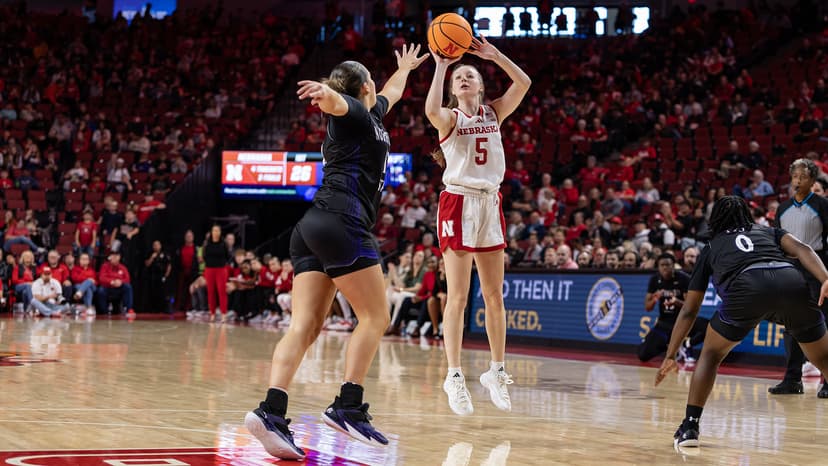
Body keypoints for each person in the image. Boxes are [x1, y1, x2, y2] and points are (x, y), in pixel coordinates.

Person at [244, 45, 428, 459]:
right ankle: (348, 404)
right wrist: (325, 93)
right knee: (376, 317)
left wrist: (403, 69)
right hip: (343, 224)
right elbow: (339, 105)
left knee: (305, 327)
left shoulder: (373, 113)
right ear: (364, 87)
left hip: (312, 228)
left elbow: (392, 93)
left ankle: (271, 410)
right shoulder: (355, 114)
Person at [655, 196, 828, 448]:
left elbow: (689, 310)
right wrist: (825, 278)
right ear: (746, 214)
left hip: (747, 288)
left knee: (710, 355)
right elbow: (804, 249)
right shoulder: (768, 231)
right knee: (824, 358)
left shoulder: (711, 246)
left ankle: (690, 426)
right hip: (790, 281)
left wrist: (671, 354)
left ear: (715, 220)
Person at [425, 35, 531, 415]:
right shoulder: (450, 118)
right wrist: (441, 67)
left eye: (470, 75)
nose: (464, 79)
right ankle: (453, 375)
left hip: (490, 202)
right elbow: (431, 109)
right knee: (457, 296)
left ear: (481, 85)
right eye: (459, 78)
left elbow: (524, 83)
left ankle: (496, 371)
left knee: (494, 296)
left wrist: (495, 55)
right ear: (453, 90)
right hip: (458, 202)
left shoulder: (493, 113)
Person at [768, 159, 828, 398]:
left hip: (817, 268)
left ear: (813, 180)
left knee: (823, 324)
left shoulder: (822, 205)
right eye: (794, 176)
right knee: (792, 326)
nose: (797, 181)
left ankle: (827, 380)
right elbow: (776, 241)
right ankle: (792, 379)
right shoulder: (782, 208)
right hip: (789, 269)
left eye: (803, 177)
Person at [638, 254, 707, 362]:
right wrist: (655, 298)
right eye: (662, 265)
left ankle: (686, 344)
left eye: (668, 265)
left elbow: (691, 306)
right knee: (642, 355)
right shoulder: (655, 280)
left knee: (708, 327)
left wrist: (677, 302)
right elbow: (648, 308)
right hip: (664, 323)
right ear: (658, 267)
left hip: (683, 321)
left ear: (673, 265)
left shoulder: (684, 279)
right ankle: (671, 346)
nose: (665, 268)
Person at [203, 225, 230, 322]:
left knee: (221, 291)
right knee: (210, 292)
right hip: (209, 269)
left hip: (221, 269)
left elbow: (227, 256)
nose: (216, 232)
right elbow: (204, 256)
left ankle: (223, 314)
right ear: (211, 232)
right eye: (214, 230)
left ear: (220, 232)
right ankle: (212, 313)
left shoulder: (223, 244)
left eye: (218, 230)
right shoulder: (207, 244)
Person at [145, 240, 172, 313]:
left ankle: (165, 309)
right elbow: (147, 264)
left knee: (163, 293)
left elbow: (169, 265)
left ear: (160, 246)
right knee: (153, 293)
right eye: (154, 245)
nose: (156, 246)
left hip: (162, 276)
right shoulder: (150, 254)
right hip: (153, 276)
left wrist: (166, 275)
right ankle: (154, 309)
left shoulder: (165, 254)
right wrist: (152, 258)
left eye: (157, 245)